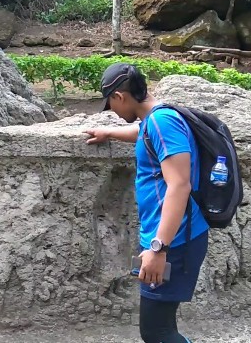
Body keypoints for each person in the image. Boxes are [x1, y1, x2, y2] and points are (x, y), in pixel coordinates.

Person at [83, 62, 209, 343]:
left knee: (157, 331)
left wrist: (158, 248)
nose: (112, 112)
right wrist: (110, 132)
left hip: (173, 242)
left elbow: (180, 185)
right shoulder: (155, 120)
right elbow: (145, 136)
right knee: (160, 328)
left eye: (110, 106)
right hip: (170, 237)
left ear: (119, 97)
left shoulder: (162, 123)